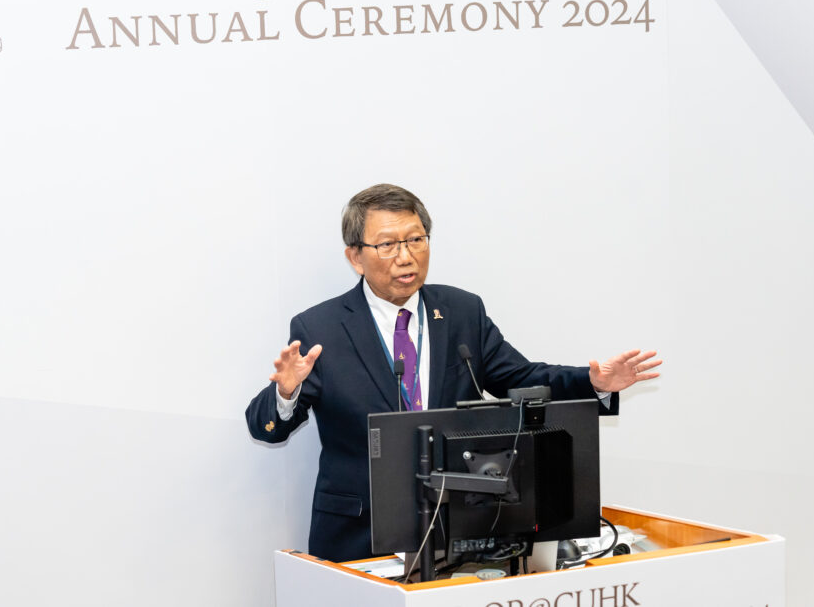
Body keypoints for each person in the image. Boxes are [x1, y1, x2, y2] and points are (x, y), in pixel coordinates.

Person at [244, 184, 661, 562]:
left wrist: (594, 383)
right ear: (356, 256)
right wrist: (285, 394)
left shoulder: (462, 312)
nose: (406, 256)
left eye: (416, 240)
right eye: (388, 244)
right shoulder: (321, 327)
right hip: (359, 532)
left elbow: (520, 377)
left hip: (459, 523)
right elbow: (267, 429)